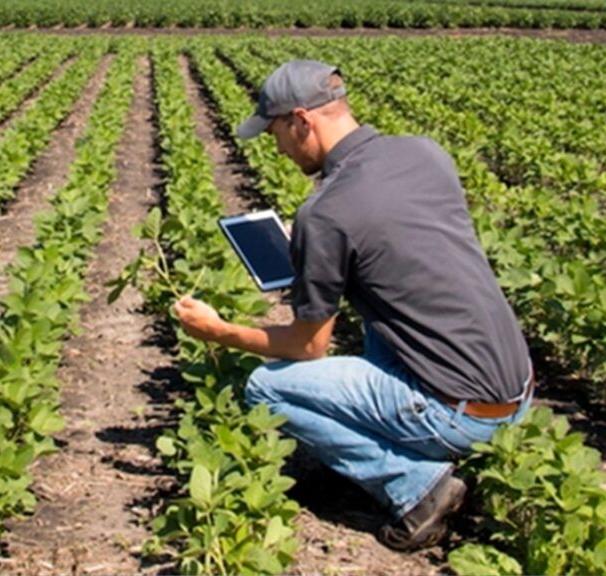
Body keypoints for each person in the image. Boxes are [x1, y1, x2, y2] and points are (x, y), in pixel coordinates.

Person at [173, 60, 533, 551]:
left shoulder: (326, 213)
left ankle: (415, 487)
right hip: (516, 389)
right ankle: (401, 437)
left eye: (276, 130)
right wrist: (318, 258)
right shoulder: (425, 153)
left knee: (267, 389)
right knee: (378, 317)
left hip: (460, 414)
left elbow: (309, 347)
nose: (276, 147)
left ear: (302, 120)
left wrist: (218, 331)